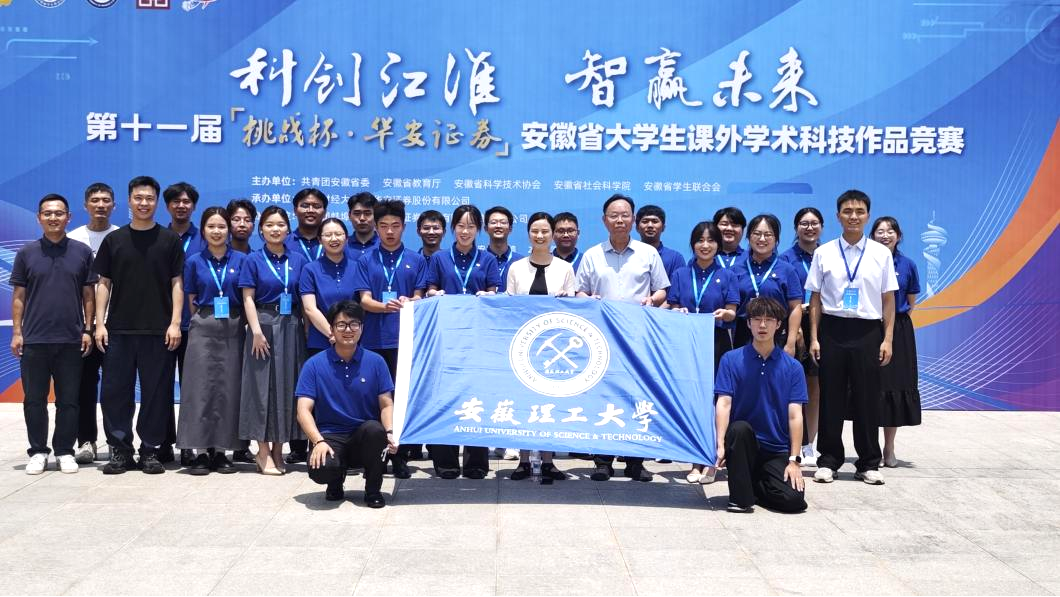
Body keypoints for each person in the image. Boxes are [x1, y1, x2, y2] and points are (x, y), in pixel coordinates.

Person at [575, 194, 670, 482]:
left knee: (637, 396)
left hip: (637, 338)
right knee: (604, 396)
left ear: (633, 220)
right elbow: (579, 291)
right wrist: (587, 298)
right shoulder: (592, 255)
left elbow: (662, 289)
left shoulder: (648, 253)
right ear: (604, 220)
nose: (619, 220)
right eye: (614, 215)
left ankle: (635, 461)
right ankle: (602, 461)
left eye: (625, 215)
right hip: (601, 338)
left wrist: (653, 299)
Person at [93, 176, 184, 475]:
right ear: (130, 200)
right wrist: (100, 324)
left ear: (157, 202)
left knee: (156, 394)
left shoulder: (169, 240)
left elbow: (177, 283)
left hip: (158, 330)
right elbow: (103, 283)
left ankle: (149, 450)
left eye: (149, 198)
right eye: (138, 198)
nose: (144, 203)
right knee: (115, 393)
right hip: (118, 330)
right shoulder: (114, 240)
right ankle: (120, 450)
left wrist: (174, 323)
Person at [807, 190, 898, 485]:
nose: (853, 216)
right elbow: (815, 299)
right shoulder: (824, 253)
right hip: (832, 330)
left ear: (868, 216)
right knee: (830, 397)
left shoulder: (881, 254)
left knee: (867, 399)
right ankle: (828, 460)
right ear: (838, 216)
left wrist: (887, 339)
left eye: (859, 211)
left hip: (868, 331)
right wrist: (814, 338)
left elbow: (888, 300)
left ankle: (868, 462)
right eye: (847, 211)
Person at [11, 194, 95, 475]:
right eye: (47, 213)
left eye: (59, 213)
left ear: (68, 217)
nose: (53, 218)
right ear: (39, 218)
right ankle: (37, 451)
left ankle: (64, 451)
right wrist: (17, 332)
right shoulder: (26, 253)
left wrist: (88, 329)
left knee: (68, 401)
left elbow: (88, 295)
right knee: (34, 400)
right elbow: (19, 296)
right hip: (34, 340)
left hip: (71, 339)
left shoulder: (82, 252)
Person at [295, 301, 397, 508]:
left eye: (354, 324)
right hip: (330, 435)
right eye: (341, 325)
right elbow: (303, 410)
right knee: (322, 469)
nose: (348, 330)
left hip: (364, 435)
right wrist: (317, 441)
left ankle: (373, 490)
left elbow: (386, 404)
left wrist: (390, 432)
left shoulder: (376, 362)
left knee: (375, 431)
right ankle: (334, 481)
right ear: (332, 329)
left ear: (362, 328)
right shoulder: (314, 364)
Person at [425, 204, 501, 479]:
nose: (465, 231)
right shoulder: (439, 258)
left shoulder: (488, 259)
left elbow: (494, 291)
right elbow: (430, 289)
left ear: (478, 230)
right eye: (460, 226)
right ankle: (445, 460)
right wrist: (434, 294)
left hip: (477, 339)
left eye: (471, 226)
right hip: (446, 338)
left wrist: (490, 297)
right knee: (445, 396)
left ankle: (476, 462)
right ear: (452, 228)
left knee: (475, 396)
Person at [355, 200, 428, 478]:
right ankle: (374, 458)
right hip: (373, 341)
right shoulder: (366, 260)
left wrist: (410, 301)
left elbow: (420, 296)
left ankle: (400, 458)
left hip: (405, 342)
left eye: (395, 226)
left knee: (402, 399)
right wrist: (385, 306)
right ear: (376, 227)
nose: (389, 231)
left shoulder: (416, 259)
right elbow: (364, 300)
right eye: (384, 226)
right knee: (375, 399)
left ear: (404, 227)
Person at [714, 297, 808, 513]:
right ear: (748, 324)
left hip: (776, 448)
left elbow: (795, 415)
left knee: (794, 501)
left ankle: (754, 485)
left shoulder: (793, 367)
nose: (762, 325)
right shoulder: (731, 359)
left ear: (779, 324)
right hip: (743, 445)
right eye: (756, 319)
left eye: (769, 320)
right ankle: (741, 498)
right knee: (739, 428)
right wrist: (720, 444)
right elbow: (724, 403)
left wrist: (794, 460)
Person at [663, 221, 738, 483]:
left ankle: (712, 460)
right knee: (692, 399)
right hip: (686, 345)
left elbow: (733, 312)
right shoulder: (681, 274)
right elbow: (672, 305)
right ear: (693, 244)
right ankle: (694, 460)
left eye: (711, 240)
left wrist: (725, 313)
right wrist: (677, 311)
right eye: (700, 240)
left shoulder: (727, 275)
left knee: (716, 399)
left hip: (716, 342)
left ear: (719, 244)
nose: (705, 245)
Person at [238, 206, 309, 475]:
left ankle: (279, 449)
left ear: (288, 229)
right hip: (264, 325)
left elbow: (304, 299)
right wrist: (255, 330)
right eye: (269, 225)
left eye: (280, 224)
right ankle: (263, 451)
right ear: (261, 229)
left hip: (291, 325)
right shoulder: (253, 260)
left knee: (287, 387)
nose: (275, 229)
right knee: (260, 388)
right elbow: (247, 298)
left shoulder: (298, 259)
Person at [504, 212, 575, 480]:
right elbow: (508, 305)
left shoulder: (565, 268)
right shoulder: (516, 268)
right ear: (528, 234)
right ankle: (523, 461)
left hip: (553, 345)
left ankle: (548, 461)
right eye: (535, 231)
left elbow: (573, 308)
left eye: (545, 231)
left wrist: (567, 298)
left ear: (553, 234)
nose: (540, 235)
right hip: (522, 344)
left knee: (549, 403)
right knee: (524, 403)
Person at [177, 207, 247, 474]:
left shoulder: (241, 260)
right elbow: (191, 299)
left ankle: (221, 451)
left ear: (229, 230)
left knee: (228, 389)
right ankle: (200, 451)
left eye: (221, 226)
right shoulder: (194, 261)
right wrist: (203, 320)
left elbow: (247, 296)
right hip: (203, 327)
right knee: (200, 389)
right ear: (203, 230)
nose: (216, 231)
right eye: (211, 227)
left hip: (234, 326)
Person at [67, 182, 119, 465]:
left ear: (114, 205)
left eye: (106, 200)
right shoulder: (72, 239)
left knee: (115, 387)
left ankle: (116, 441)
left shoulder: (122, 237)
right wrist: (86, 325)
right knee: (84, 386)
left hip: (115, 325)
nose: (101, 205)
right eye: (95, 200)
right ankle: (86, 440)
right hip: (83, 327)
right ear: (85, 205)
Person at [871, 216, 921, 468]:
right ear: (872, 236)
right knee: (870, 388)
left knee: (893, 388)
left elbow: (910, 303)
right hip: (868, 327)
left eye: (890, 231)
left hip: (898, 330)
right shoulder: (866, 261)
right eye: (880, 231)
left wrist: (891, 327)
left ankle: (888, 447)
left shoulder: (908, 265)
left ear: (898, 236)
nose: (885, 235)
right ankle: (869, 448)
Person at [284, 188, 327, 464]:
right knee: (297, 381)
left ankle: (326, 439)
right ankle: (298, 444)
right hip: (293, 321)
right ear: (295, 210)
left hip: (329, 324)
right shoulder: (285, 241)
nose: (311, 210)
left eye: (316, 206)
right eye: (305, 205)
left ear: (325, 211)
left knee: (326, 383)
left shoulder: (335, 239)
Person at [779, 207, 824, 466]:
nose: (809, 228)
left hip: (822, 323)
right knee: (793, 387)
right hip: (794, 322)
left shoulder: (828, 255)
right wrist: (794, 330)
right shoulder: (786, 259)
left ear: (821, 227)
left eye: (814, 223)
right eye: (804, 223)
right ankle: (792, 440)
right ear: (796, 228)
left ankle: (810, 444)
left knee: (815, 387)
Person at [164, 181, 204, 465]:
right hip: (161, 324)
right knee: (161, 387)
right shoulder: (158, 237)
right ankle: (163, 442)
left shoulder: (205, 238)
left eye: (186, 201)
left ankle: (190, 443)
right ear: (168, 206)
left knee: (192, 389)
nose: (181, 206)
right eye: (176, 201)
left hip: (196, 327)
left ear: (194, 206)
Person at [731, 214, 802, 353]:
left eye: (768, 234)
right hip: (743, 333)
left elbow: (795, 307)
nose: (762, 239)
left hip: (777, 334)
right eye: (757, 234)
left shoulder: (787, 270)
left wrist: (791, 343)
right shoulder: (735, 270)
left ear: (776, 239)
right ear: (748, 237)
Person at [300, 218, 361, 358]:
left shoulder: (358, 267)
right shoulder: (310, 270)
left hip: (353, 340)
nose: (334, 239)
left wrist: (348, 333)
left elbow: (363, 303)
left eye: (338, 234)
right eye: (328, 235)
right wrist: (333, 334)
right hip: (322, 340)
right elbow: (310, 309)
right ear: (320, 240)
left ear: (346, 238)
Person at [636, 204, 684, 280]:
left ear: (663, 228)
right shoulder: (629, 255)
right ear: (637, 228)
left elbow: (679, 285)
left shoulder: (675, 258)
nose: (650, 225)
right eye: (645, 221)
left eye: (655, 221)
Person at [484, 206, 523, 293]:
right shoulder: (480, 260)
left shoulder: (521, 262)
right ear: (486, 228)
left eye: (503, 222)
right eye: (493, 222)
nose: (498, 226)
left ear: (510, 228)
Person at [346, 192, 380, 260]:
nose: (362, 218)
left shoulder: (385, 245)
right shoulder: (342, 245)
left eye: (367, 214)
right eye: (357, 213)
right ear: (349, 216)